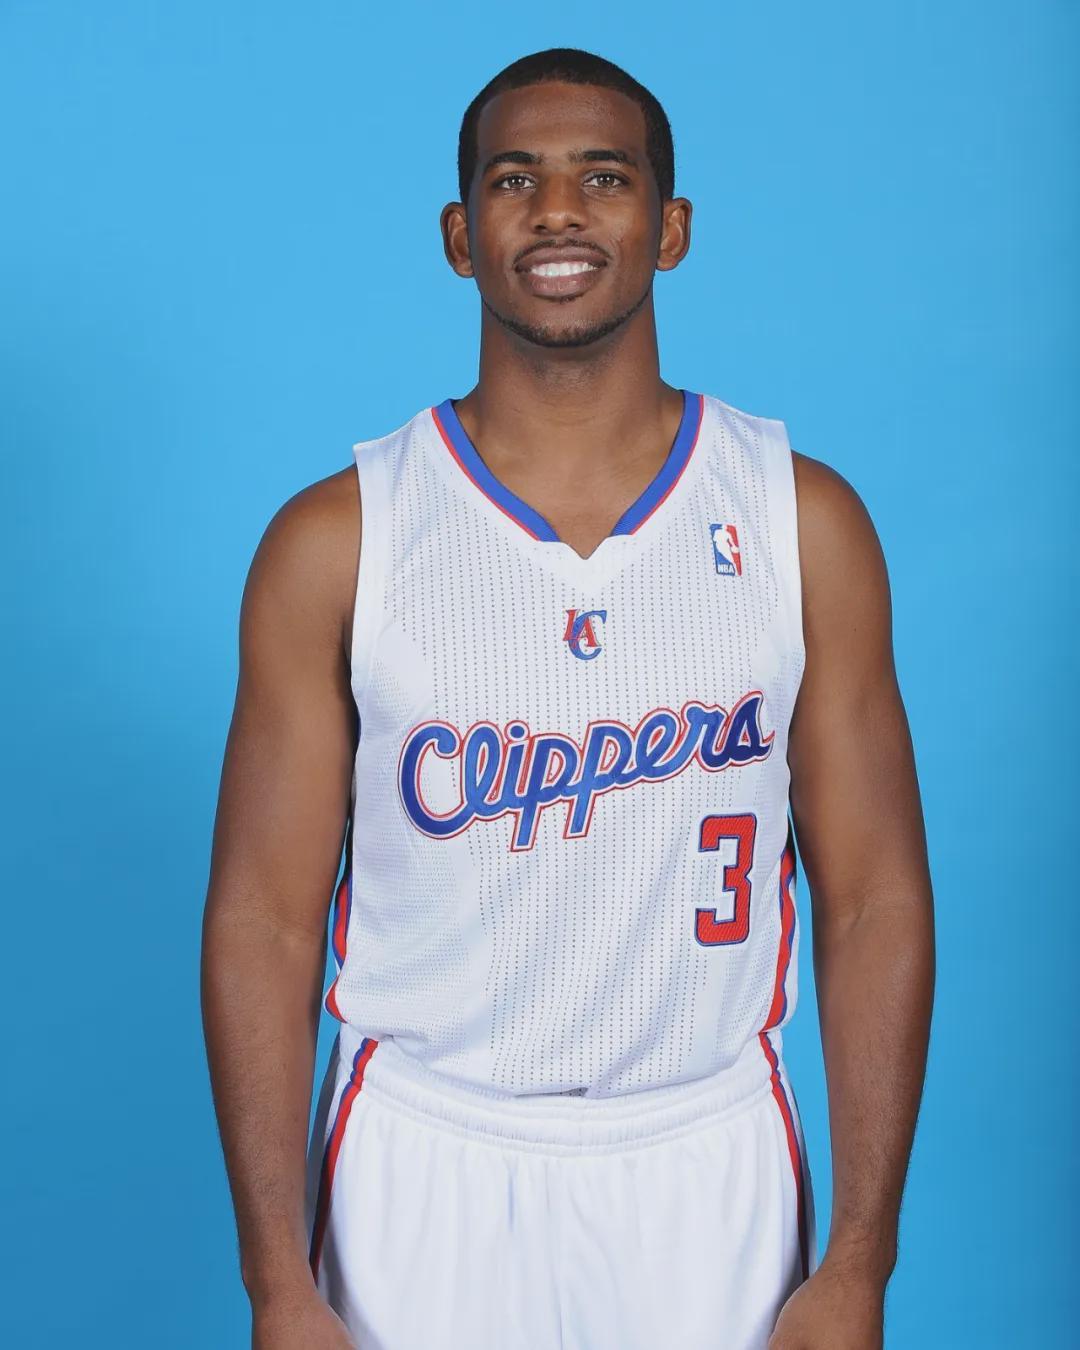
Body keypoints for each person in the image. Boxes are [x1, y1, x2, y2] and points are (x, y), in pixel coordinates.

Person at [201, 46, 935, 1350]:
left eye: (604, 177)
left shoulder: (799, 520)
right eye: (513, 180)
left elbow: (874, 892)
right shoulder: (340, 538)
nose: (556, 212)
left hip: (705, 1150)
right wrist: (276, 1283)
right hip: (420, 1148)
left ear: (671, 227)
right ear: (458, 235)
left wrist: (861, 1260)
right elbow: (263, 916)